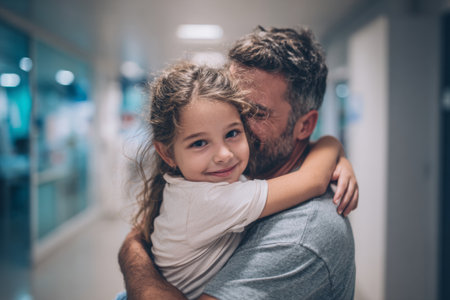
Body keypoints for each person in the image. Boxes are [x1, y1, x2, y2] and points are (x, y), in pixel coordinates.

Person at [118, 26, 357, 300]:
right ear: (168, 153)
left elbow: (313, 181)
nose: (236, 126)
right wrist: (330, 145)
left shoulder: (300, 236)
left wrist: (131, 249)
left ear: (305, 126)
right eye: (235, 105)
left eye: (254, 112)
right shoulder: (221, 184)